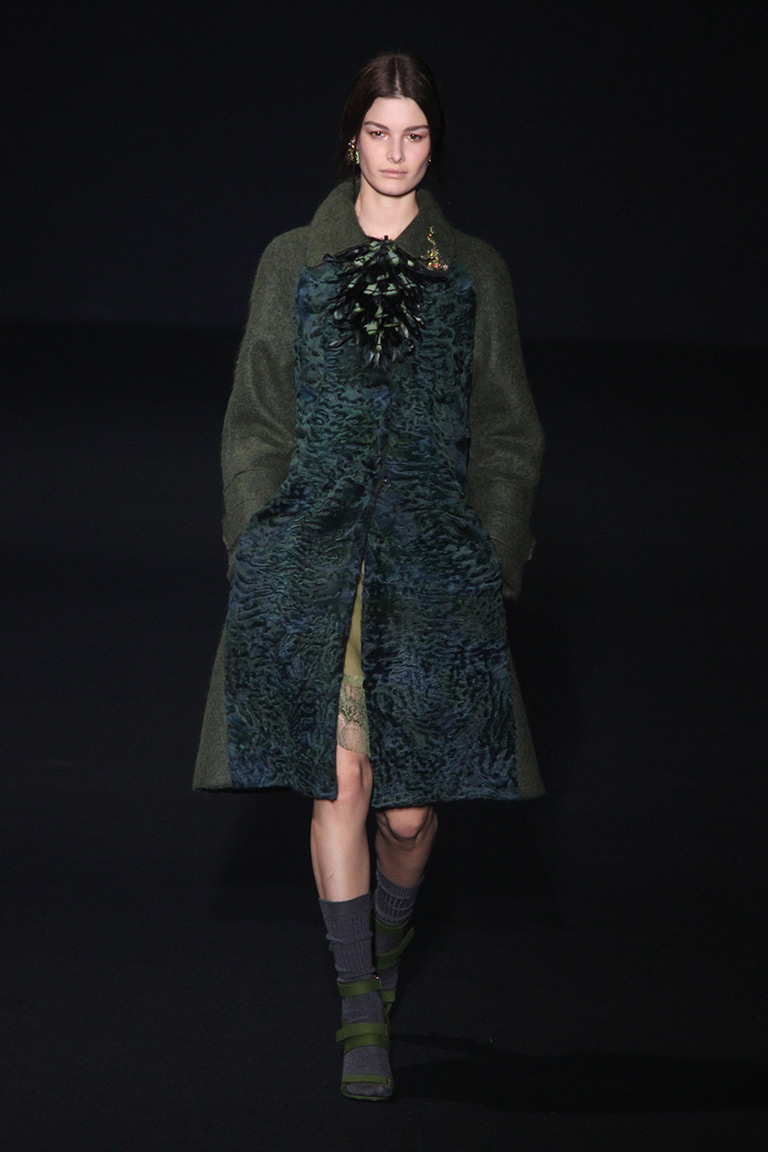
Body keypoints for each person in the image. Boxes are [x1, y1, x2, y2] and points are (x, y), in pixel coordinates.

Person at [194, 51, 544, 1101]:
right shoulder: (293, 260)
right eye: (379, 133)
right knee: (339, 781)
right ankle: (359, 1007)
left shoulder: (472, 271)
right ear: (352, 138)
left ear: (434, 146)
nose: (396, 154)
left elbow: (508, 430)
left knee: (410, 815)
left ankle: (384, 954)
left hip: (431, 565)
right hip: (316, 556)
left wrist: (491, 550)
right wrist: (257, 541)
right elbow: (256, 415)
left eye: (416, 135)